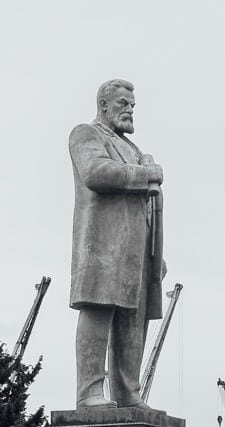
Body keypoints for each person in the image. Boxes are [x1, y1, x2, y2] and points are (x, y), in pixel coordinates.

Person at [68, 79, 166, 409]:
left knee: (132, 321)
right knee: (98, 311)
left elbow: (145, 208)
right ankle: (90, 392)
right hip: (102, 246)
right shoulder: (86, 133)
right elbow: (95, 173)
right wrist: (146, 175)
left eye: (132, 105)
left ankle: (128, 393)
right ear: (104, 104)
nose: (129, 109)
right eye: (123, 103)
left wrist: (156, 254)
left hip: (137, 250)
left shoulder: (133, 149)